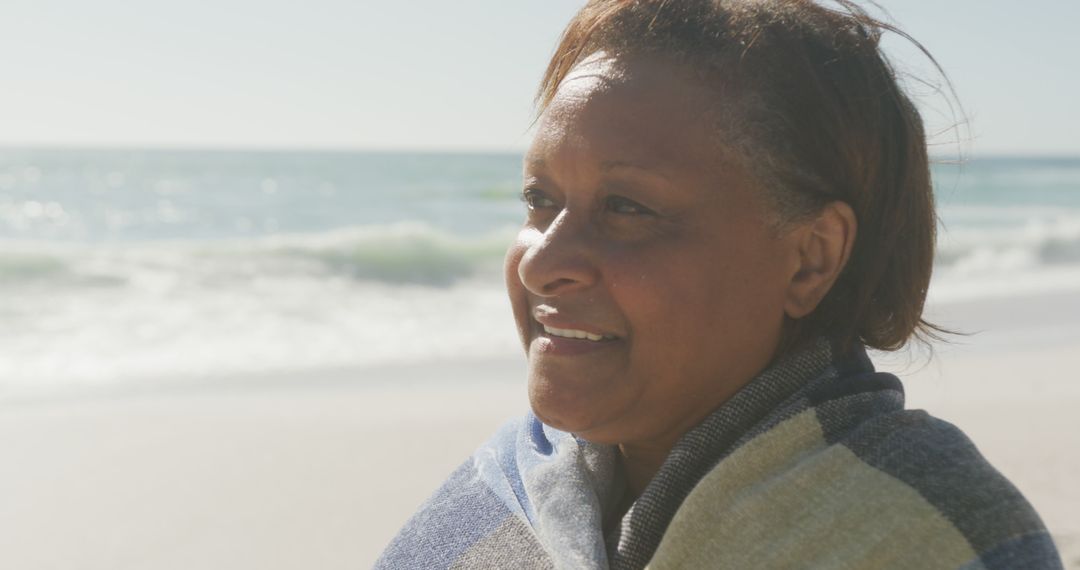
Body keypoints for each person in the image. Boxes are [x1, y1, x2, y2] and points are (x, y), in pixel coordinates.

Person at [376, 1, 1063, 568]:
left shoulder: (927, 533)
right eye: (540, 199)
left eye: (627, 208)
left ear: (810, 259)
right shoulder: (498, 497)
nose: (539, 262)